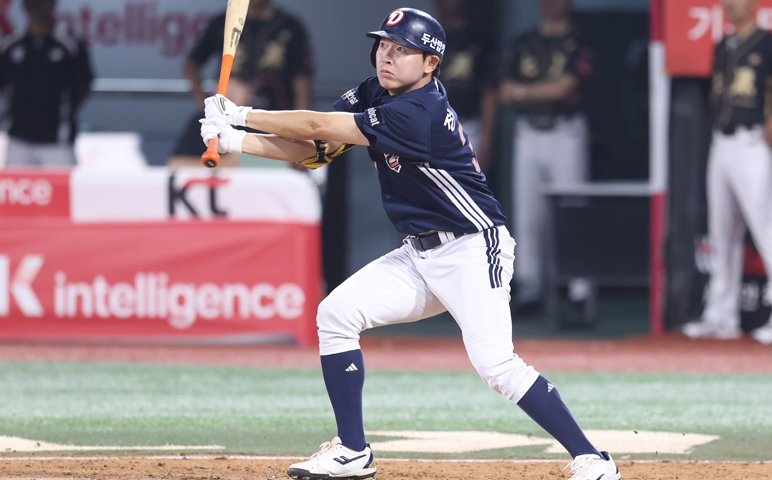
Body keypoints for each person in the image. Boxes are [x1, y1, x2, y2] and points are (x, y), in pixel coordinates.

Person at [199, 8, 620, 480]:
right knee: (336, 315)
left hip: (472, 248)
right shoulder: (376, 91)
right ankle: (352, 451)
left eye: (402, 50)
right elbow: (316, 152)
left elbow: (317, 127)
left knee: (496, 364)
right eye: (384, 45)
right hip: (419, 253)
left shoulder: (420, 113)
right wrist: (236, 141)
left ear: (430, 64)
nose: (387, 56)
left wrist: (242, 115)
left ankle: (593, 459)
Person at [680, 0, 772, 345]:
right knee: (722, 235)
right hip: (722, 143)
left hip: (753, 143)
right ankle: (721, 316)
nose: (732, 4)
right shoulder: (723, 45)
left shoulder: (766, 43)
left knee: (766, 229)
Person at [499, 0, 594, 316]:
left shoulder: (581, 38)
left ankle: (579, 288)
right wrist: (538, 91)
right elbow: (504, 90)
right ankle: (530, 287)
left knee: (572, 209)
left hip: (565, 131)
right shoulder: (523, 42)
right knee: (528, 215)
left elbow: (566, 88)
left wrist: (523, 92)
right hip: (528, 132)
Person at [168, 0, 313, 167]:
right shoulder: (223, 22)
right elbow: (191, 63)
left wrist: (301, 134)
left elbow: (301, 83)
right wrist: (204, 103)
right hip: (227, 114)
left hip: (273, 116)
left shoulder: (290, 26)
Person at [0, 0, 93, 168]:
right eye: (33, 3)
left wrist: (60, 111)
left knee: (64, 185)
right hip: (18, 140)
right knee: (15, 185)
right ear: (25, 6)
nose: (38, 8)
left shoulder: (70, 44)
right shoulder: (8, 44)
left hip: (58, 141)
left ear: (53, 5)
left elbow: (84, 87)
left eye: (43, 3)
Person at [432, 0, 499, 174]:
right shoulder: (423, 38)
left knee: (466, 188)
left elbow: (489, 91)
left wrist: (487, 138)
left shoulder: (478, 39)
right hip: (428, 127)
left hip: (467, 127)